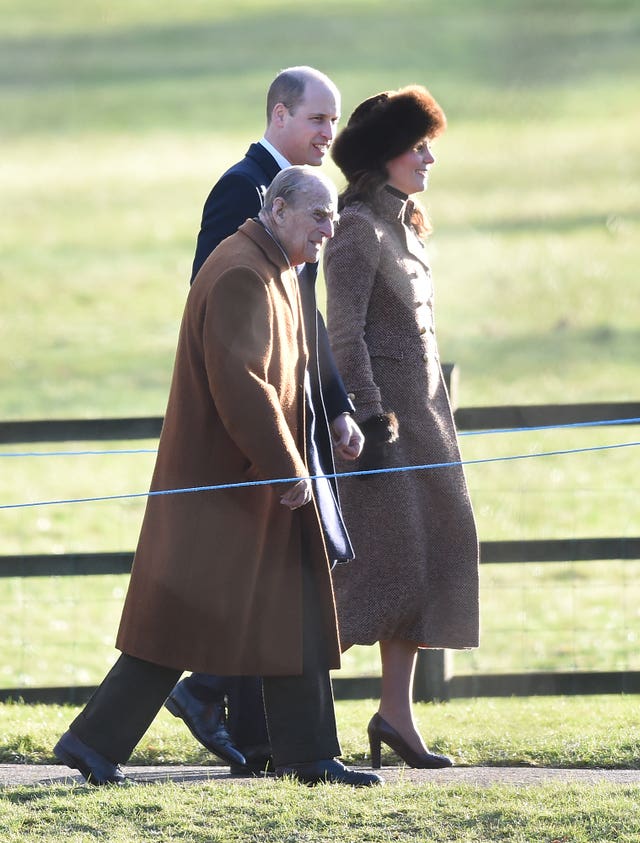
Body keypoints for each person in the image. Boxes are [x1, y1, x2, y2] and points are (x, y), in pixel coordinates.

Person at [53, 167, 382, 788]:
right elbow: (243, 384)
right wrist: (289, 467)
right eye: (318, 215)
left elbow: (291, 368)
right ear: (278, 209)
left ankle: (308, 756)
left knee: (295, 610)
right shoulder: (240, 270)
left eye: (333, 215)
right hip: (227, 488)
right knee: (175, 623)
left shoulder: (276, 267)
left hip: (261, 486)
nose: (329, 228)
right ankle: (91, 743)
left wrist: (327, 422)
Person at [165, 66, 363, 774]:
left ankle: (255, 733)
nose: (328, 134)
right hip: (255, 422)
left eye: (334, 122)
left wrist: (334, 404)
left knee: (283, 576)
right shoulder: (244, 189)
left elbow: (302, 320)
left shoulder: (306, 196)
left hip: (291, 414)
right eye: (317, 119)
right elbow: (222, 310)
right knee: (271, 576)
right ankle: (212, 700)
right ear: (279, 115)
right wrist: (267, 428)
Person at [323, 86, 480, 769]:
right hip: (383, 433)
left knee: (421, 567)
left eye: (429, 147)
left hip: (425, 428)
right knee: (367, 577)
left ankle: (396, 715)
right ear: (382, 155)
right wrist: (367, 412)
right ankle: (220, 684)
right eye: (417, 147)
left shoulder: (405, 224)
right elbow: (343, 335)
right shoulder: (357, 226)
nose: (428, 159)